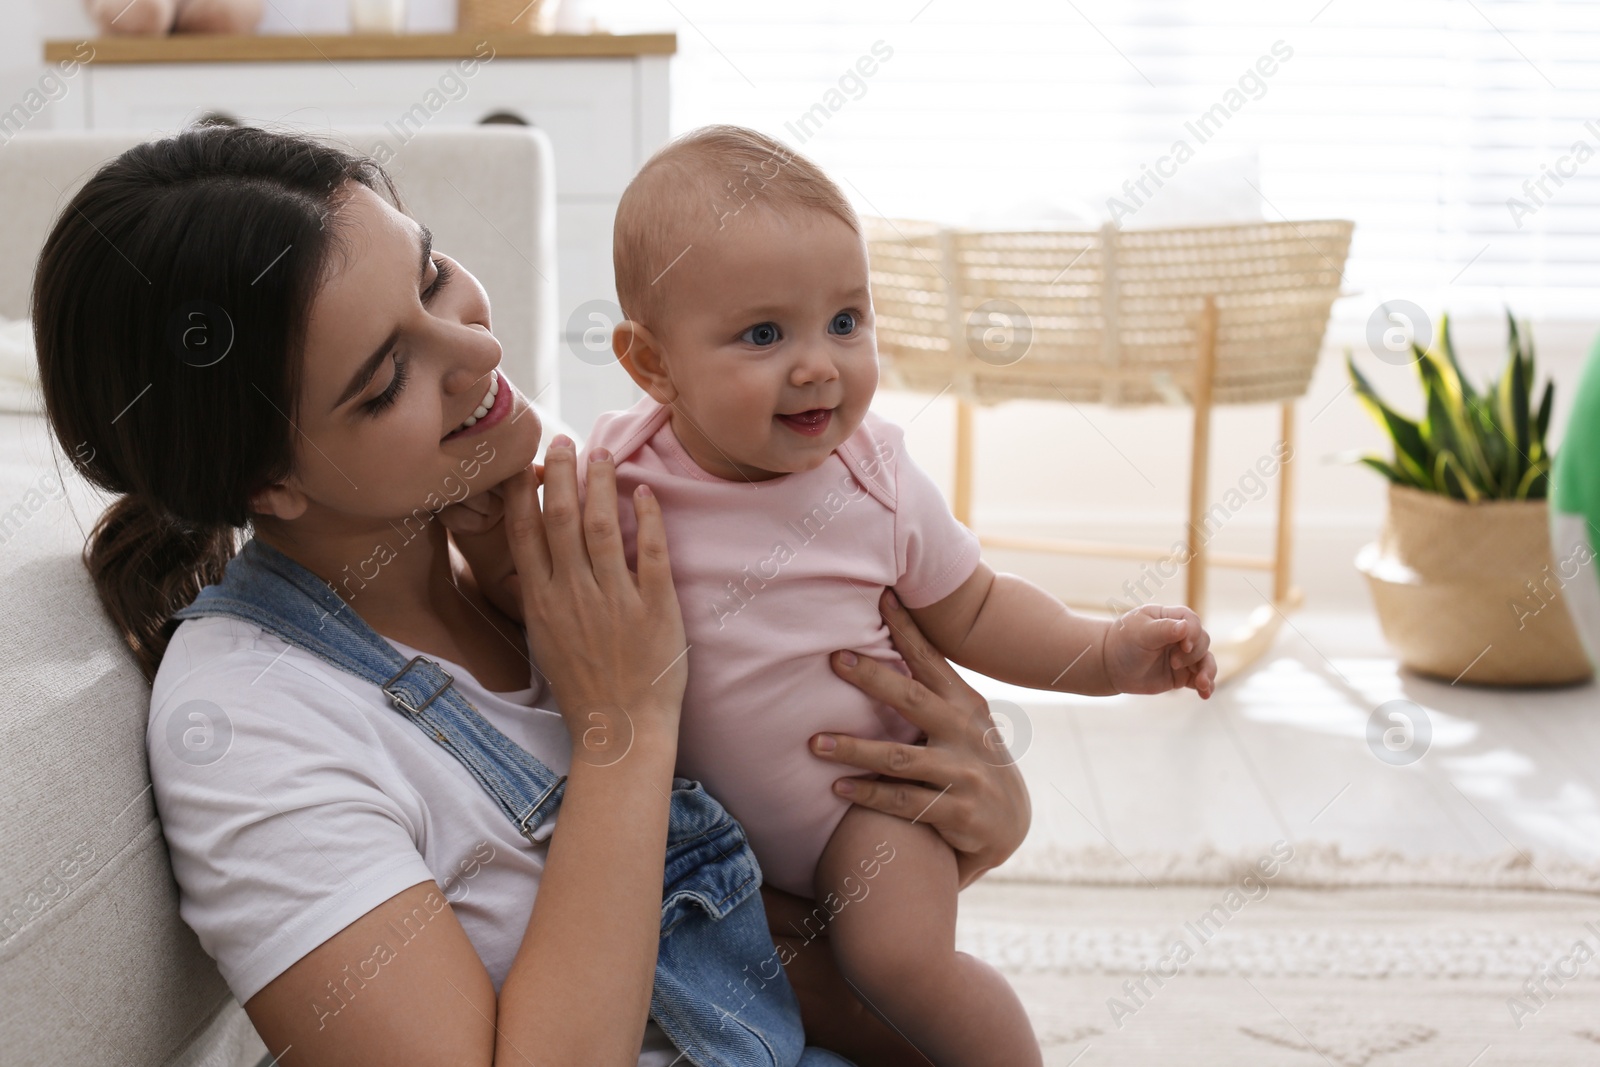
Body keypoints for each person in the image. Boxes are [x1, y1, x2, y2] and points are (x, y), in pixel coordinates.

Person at [29, 120, 1032, 1067]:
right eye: (387, 378)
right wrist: (622, 731)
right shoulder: (250, 720)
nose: (476, 353)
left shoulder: (574, 538)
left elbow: (775, 955)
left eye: (431, 276)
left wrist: (970, 818)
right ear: (267, 485)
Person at [452, 124, 1218, 1065]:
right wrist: (487, 536)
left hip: (869, 810)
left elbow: (974, 608)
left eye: (846, 321)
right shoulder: (620, 474)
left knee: (898, 961)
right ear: (654, 364)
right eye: (765, 334)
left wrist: (1104, 654)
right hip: (691, 828)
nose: (819, 364)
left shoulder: (876, 477)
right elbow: (540, 594)